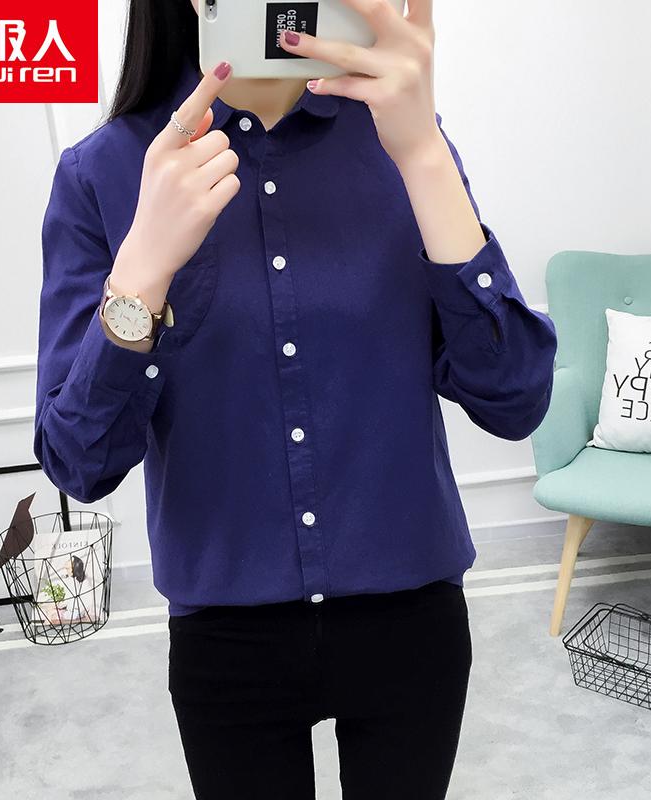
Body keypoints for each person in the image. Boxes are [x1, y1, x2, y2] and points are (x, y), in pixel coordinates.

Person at [33, 0, 557, 796]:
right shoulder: (103, 173)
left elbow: (513, 398)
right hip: (226, 636)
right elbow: (80, 460)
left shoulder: (402, 139)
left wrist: (423, 155)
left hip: (410, 615)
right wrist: (140, 277)